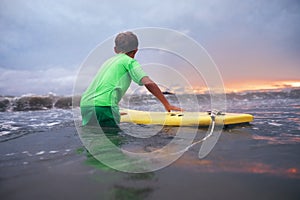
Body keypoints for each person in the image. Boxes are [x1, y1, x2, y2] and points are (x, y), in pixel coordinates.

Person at [80, 31, 182, 128]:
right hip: (104, 107)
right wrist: (167, 105)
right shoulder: (129, 62)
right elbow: (149, 83)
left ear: (115, 49)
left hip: (86, 104)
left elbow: (105, 87)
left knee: (92, 137)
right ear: (136, 50)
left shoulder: (108, 62)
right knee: (111, 141)